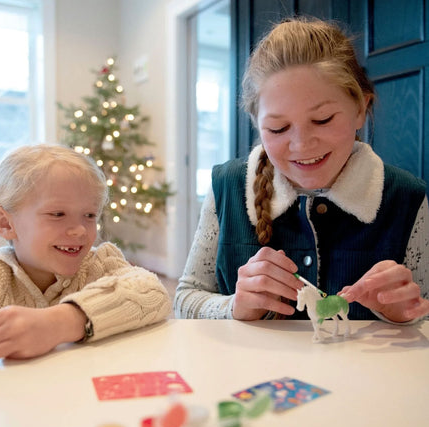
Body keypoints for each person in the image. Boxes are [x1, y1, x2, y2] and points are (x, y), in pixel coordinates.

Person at [174, 17, 429, 324]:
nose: (302, 144)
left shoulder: (407, 198)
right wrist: (233, 307)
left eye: (322, 120)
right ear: (258, 125)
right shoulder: (227, 188)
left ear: (361, 108)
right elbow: (186, 299)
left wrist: (407, 317)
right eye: (278, 128)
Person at [0, 144, 171, 359]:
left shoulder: (98, 265)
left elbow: (152, 293)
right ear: (5, 224)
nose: (79, 230)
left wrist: (59, 323)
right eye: (57, 214)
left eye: (90, 215)